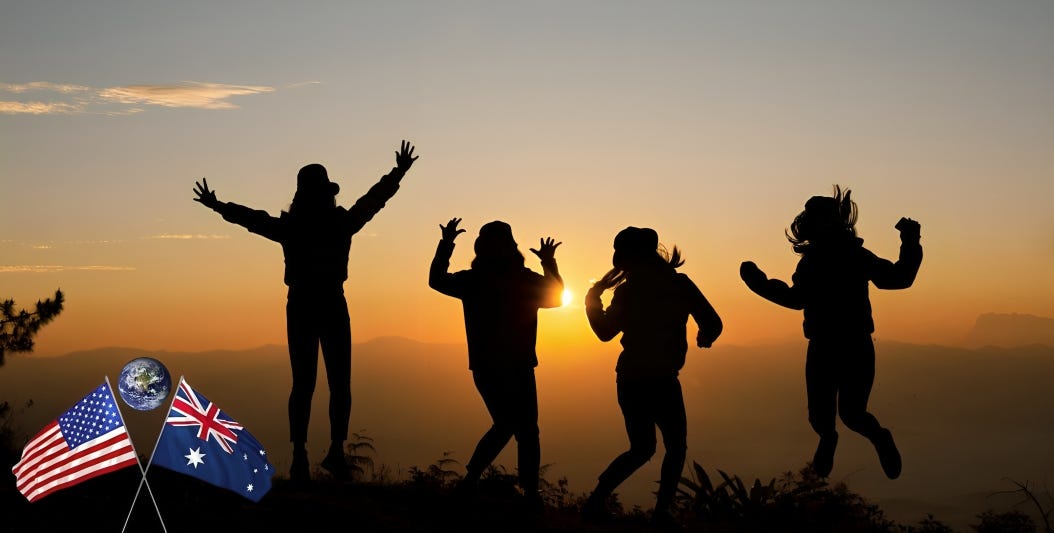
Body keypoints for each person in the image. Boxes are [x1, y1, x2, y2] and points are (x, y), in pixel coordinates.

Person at [192, 140, 419, 483]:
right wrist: (398, 173)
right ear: (328, 194)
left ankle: (301, 455)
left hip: (300, 305)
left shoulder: (292, 227)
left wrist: (217, 205)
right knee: (339, 383)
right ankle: (334, 452)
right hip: (331, 302)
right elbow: (372, 202)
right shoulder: (339, 223)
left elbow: (253, 220)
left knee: (304, 384)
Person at [739, 185, 922, 480]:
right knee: (840, 414)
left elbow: (795, 299)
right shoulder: (843, 257)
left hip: (836, 346)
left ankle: (854, 438)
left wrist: (758, 283)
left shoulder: (838, 258)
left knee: (841, 414)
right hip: (849, 345)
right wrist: (911, 240)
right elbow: (898, 278)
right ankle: (839, 438)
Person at [581, 227, 722, 529]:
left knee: (642, 448)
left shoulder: (629, 290)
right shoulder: (678, 284)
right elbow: (713, 322)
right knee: (675, 447)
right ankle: (660, 514)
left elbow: (604, 332)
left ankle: (596, 500)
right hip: (664, 379)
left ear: (630, 257)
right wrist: (705, 335)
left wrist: (592, 302)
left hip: (632, 378)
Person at [428, 217, 563, 512]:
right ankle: (523, 491)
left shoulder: (474, 280)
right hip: (516, 366)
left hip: (492, 366)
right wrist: (549, 264)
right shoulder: (521, 279)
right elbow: (557, 297)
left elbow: (436, 279)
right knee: (523, 429)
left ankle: (477, 480)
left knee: (511, 426)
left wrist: (447, 244)